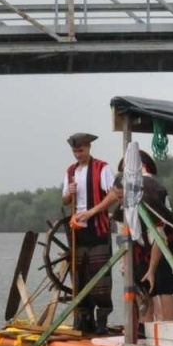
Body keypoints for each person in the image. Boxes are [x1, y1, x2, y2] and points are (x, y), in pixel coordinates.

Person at [62, 132, 116, 334]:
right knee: (80, 277)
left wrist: (92, 212)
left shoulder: (102, 168)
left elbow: (115, 195)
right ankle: (84, 321)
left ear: (89, 148)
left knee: (100, 278)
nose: (78, 154)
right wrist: (70, 192)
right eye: (75, 151)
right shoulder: (70, 171)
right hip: (78, 233)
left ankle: (102, 324)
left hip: (98, 229)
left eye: (81, 150)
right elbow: (65, 200)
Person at [134, 151, 173, 323]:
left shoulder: (151, 188)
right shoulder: (131, 191)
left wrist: (151, 270)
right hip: (148, 242)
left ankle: (168, 328)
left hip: (172, 241)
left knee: (164, 286)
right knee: (141, 285)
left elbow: (160, 237)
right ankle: (146, 328)